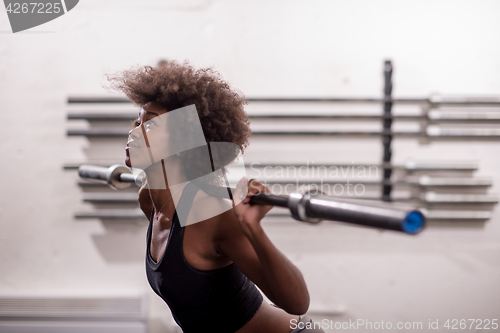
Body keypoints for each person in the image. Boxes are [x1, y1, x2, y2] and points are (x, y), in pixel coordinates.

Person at [109, 61, 325, 333]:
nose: (133, 133)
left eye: (150, 125)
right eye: (136, 122)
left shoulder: (212, 214)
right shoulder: (149, 201)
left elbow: (297, 302)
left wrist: (252, 229)